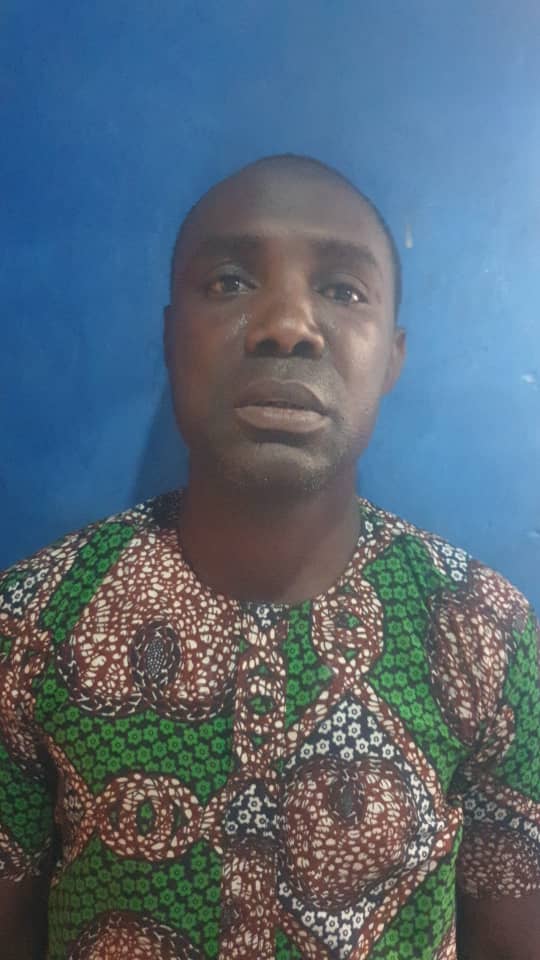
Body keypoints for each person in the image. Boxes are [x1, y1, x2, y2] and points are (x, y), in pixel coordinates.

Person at [0, 154, 538, 960]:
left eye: (343, 290)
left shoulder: (485, 631)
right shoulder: (29, 623)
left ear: (392, 356)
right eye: (229, 282)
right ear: (171, 337)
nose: (288, 324)